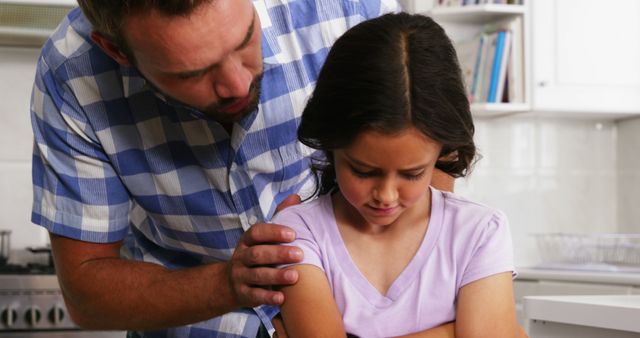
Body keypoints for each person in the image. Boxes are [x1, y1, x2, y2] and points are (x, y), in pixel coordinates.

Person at [29, 1, 418, 337]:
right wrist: (229, 284)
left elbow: (429, 160)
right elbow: (87, 294)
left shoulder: (350, 9)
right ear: (117, 51)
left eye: (245, 38)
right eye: (191, 73)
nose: (238, 83)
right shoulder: (71, 74)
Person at [271, 12, 521, 337]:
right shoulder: (296, 233)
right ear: (331, 145)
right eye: (362, 171)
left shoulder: (479, 233)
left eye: (413, 174)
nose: (386, 195)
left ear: (441, 154)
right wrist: (452, 333)